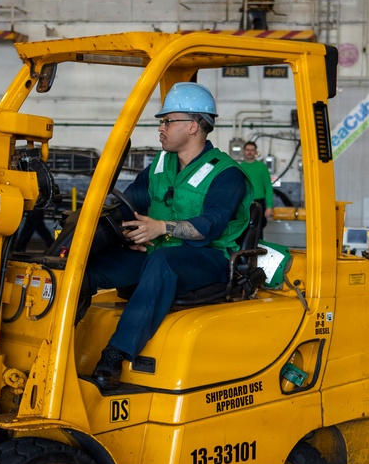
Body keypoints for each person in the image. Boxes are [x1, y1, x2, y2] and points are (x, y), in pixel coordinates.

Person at [85, 82, 254, 390]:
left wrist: (161, 228)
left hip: (207, 257)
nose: (160, 128)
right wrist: (119, 233)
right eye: (161, 122)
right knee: (86, 267)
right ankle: (57, 340)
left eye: (167, 121)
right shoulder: (161, 165)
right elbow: (131, 204)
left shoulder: (226, 174)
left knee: (163, 262)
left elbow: (210, 226)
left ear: (193, 126)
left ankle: (114, 354)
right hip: (156, 252)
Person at [239, 141, 274, 240]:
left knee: (258, 231)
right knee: (243, 230)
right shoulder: (240, 167)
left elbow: (268, 187)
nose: (250, 152)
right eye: (247, 150)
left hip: (259, 204)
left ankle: (258, 252)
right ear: (244, 151)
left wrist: (269, 206)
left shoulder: (262, 168)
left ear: (256, 152)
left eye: (252, 150)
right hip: (244, 204)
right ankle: (244, 253)